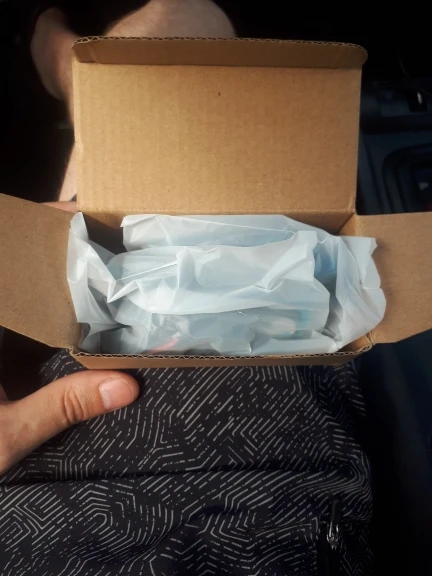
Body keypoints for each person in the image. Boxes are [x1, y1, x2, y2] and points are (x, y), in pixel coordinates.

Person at [0, 2, 373, 574]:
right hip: (272, 481)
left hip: (42, 489)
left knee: (160, 45)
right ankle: (73, 71)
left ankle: (72, 71)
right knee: (178, 24)